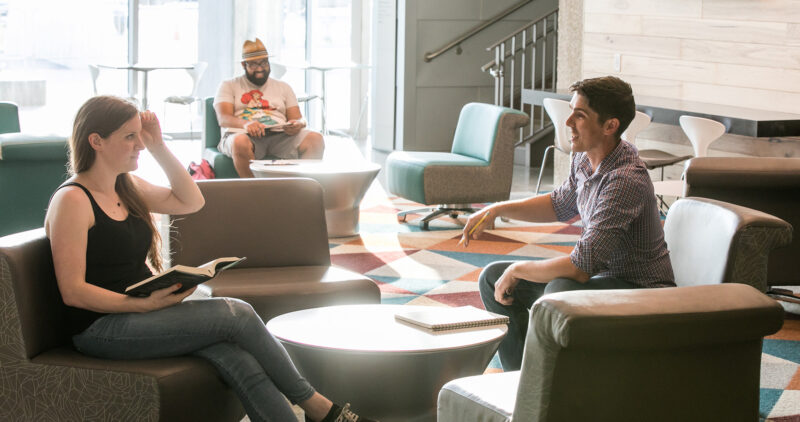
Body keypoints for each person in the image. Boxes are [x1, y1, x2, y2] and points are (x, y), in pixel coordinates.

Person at [45, 96, 374, 422]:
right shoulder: (73, 200)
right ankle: (320, 408)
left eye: (139, 136)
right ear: (96, 141)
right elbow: (72, 291)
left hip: (141, 312)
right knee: (237, 314)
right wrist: (142, 306)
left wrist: (159, 145)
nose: (139, 146)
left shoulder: (126, 187)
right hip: (99, 328)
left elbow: (191, 201)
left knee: (235, 356)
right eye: (130, 137)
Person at [461, 76, 676, 371]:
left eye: (580, 115)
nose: (568, 122)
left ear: (610, 126)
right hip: (603, 281)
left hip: (640, 293)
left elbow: (580, 268)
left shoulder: (624, 180)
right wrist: (498, 209)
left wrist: (518, 268)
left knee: (560, 290)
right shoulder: (584, 159)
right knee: (492, 278)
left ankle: (547, 388)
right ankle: (521, 383)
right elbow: (560, 204)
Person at [215, 37, 324, 177]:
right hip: (244, 135)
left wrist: (297, 124)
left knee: (315, 139)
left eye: (264, 63)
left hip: (279, 135)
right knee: (240, 142)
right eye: (253, 64)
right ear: (243, 65)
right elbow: (223, 118)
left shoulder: (283, 87)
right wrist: (247, 124)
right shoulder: (228, 85)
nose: (260, 69)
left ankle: (300, 188)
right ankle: (255, 192)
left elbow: (299, 118)